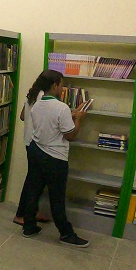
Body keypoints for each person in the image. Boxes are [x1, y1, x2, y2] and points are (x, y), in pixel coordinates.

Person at [19, 69, 90, 247]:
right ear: (54, 85)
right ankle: (66, 234)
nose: (63, 88)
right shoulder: (61, 107)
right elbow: (70, 135)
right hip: (55, 158)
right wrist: (79, 118)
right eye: (62, 84)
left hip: (36, 151)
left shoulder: (36, 103)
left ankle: (29, 227)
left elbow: (48, 123)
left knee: (33, 190)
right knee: (57, 197)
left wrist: (70, 115)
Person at [13, 98, 52, 226]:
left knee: (36, 180)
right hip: (36, 143)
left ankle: (32, 211)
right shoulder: (44, 98)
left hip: (29, 141)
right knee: (32, 181)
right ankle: (20, 214)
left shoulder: (32, 95)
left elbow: (22, 116)